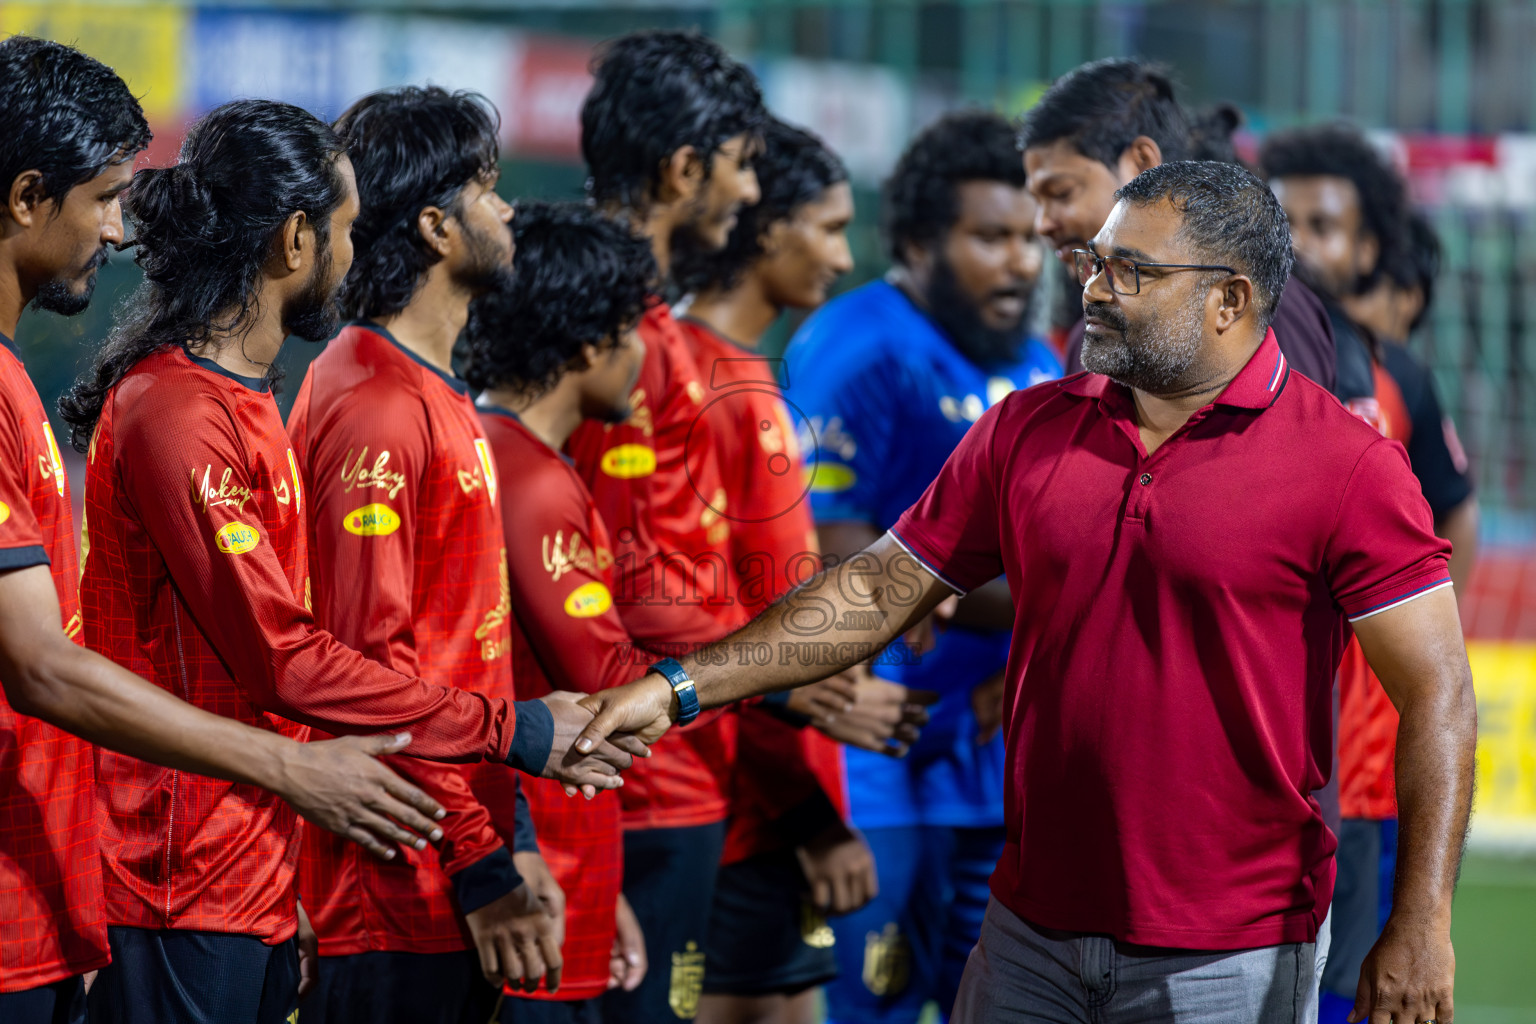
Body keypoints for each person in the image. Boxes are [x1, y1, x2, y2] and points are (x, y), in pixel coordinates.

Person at [576, 161, 1476, 1024]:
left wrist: (1423, 921)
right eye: (1096, 260)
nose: (1093, 287)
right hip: (1027, 933)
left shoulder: (1349, 468)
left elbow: (1437, 694)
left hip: (1231, 952)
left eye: (1132, 270)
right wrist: (677, 688)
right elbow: (875, 590)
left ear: (1228, 299)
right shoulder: (1027, 429)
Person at [57, 99, 641, 1024]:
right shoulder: (180, 410)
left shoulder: (250, 401)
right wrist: (515, 736)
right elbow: (291, 659)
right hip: (179, 881)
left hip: (251, 873)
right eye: (343, 227)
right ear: (296, 241)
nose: (354, 249)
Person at [0, 36, 451, 1023]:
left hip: (168, 879)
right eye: (106, 197)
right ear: (30, 197)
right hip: (157, 882)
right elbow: (44, 665)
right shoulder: (172, 408)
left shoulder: (219, 402)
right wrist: (512, 731)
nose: (120, 229)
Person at [776, 109, 1058, 1024]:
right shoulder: (857, 345)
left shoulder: (1044, 363)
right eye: (989, 237)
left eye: (1027, 239)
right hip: (879, 757)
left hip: (997, 758)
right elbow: (826, 543)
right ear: (915, 243)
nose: (1019, 262)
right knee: (878, 1007)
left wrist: (1024, 648)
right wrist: (1027, 605)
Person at [286, 87, 562, 1024]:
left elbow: (465, 653)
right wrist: (483, 866)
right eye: (491, 189)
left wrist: (510, 832)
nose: (510, 208)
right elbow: (369, 677)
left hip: (451, 855)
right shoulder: (375, 406)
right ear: (440, 227)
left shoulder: (434, 392)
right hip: (393, 890)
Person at [1261, 128, 1480, 1024]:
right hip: (1265, 768)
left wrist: (1417, 636)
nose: (1304, 241)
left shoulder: (1396, 380)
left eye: (1325, 223)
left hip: (1357, 769)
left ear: (1365, 246)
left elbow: (1452, 514)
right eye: (1285, 220)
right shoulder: (1237, 364)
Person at [672, 119, 887, 1024]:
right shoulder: (691, 383)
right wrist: (812, 821)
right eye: (829, 228)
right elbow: (708, 628)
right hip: (728, 810)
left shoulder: (746, 379)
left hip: (765, 804)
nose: (842, 256)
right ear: (763, 227)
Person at [570, 30, 765, 1022]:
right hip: (624, 776)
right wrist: (795, 671)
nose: (745, 198)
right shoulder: (605, 337)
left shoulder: (656, 330)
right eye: (738, 169)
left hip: (670, 760)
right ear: (685, 168)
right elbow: (613, 577)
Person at [465, 199, 655, 1024]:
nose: (647, 354)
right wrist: (776, 669)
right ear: (589, 344)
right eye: (636, 327)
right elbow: (608, 683)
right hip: (532, 882)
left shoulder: (488, 444)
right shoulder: (535, 479)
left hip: (556, 865)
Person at [1019, 57, 1343, 395]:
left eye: (1061, 193)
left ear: (1141, 163)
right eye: (1037, 201)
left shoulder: (1266, 309)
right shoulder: (1091, 331)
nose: (1043, 224)